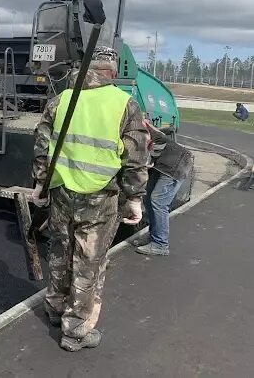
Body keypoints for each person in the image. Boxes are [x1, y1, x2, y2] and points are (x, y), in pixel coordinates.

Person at [32, 46, 149, 352]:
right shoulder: (124, 104)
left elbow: (42, 145)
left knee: (60, 249)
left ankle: (55, 308)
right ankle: (76, 331)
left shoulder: (61, 100)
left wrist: (40, 183)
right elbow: (135, 157)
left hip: (61, 193)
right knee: (88, 261)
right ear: (111, 74)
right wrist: (134, 198)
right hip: (99, 198)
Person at [135, 121, 194, 256]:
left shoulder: (140, 129)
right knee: (148, 197)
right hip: (162, 164)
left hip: (176, 163)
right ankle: (153, 235)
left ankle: (160, 244)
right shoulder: (138, 130)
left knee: (158, 201)